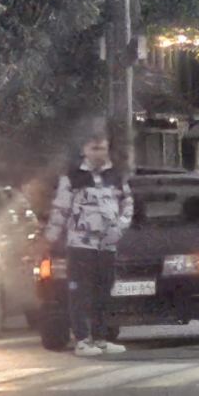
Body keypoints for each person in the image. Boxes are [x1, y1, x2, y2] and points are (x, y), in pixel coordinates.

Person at [44, 121, 133, 357]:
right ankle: (83, 340)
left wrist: (119, 229)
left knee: (104, 291)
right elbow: (60, 209)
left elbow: (127, 205)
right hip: (80, 245)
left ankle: (101, 338)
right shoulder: (73, 177)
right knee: (80, 293)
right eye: (94, 149)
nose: (99, 153)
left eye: (102, 148)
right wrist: (50, 238)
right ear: (84, 150)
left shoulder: (116, 176)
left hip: (107, 245)